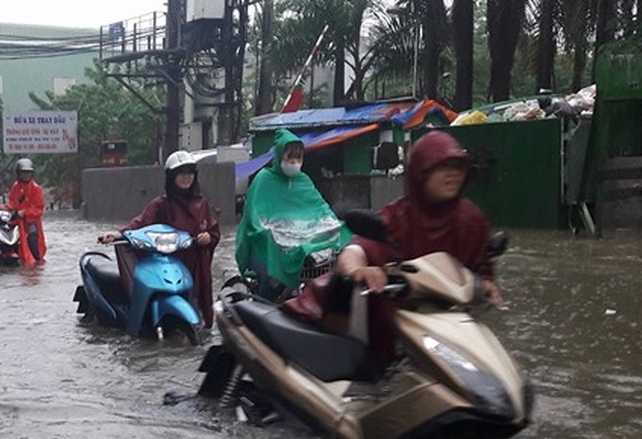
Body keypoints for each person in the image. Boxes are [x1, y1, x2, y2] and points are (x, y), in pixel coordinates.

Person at [333, 129, 500, 366]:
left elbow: (483, 263)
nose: (453, 174)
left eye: (458, 167)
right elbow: (356, 249)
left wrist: (487, 284)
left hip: (451, 327)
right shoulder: (399, 216)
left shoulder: (471, 219)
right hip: (396, 323)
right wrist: (358, 269)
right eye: (443, 166)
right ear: (421, 173)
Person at [98, 150, 220, 326]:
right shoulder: (161, 205)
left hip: (196, 265)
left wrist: (209, 237)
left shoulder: (202, 203)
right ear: (172, 177)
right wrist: (118, 234)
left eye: (189, 173)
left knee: (200, 308)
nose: (186, 178)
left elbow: (213, 230)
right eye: (181, 174)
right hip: (169, 263)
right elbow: (139, 224)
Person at [235, 129, 350, 301]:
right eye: (290, 158)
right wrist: (270, 233)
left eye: (298, 158)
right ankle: (262, 304)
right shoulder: (264, 179)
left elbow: (320, 208)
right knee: (273, 281)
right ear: (280, 155)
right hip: (263, 245)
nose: (295, 162)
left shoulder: (303, 181)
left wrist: (334, 225)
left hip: (298, 241)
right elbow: (255, 216)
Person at [3, 158, 46, 265]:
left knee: (32, 235)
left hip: (30, 221)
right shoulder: (15, 187)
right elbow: (11, 202)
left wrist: (24, 213)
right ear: (19, 173)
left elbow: (38, 208)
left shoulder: (36, 189)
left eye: (28, 173)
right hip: (15, 219)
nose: (26, 175)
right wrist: (8, 210)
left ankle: (36, 259)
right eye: (24, 173)